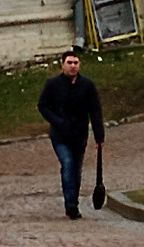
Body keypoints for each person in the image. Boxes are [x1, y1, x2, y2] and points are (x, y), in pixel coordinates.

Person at [37, 50, 106, 218]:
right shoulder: (53, 84)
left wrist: (99, 136)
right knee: (67, 163)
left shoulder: (87, 86)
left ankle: (73, 201)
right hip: (60, 135)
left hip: (79, 134)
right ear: (63, 64)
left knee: (76, 169)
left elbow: (95, 110)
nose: (73, 66)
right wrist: (57, 121)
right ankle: (70, 204)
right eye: (70, 63)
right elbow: (43, 105)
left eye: (76, 63)